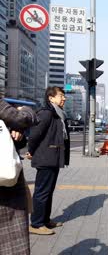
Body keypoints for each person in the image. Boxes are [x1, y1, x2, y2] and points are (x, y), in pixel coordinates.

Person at [27, 87, 70, 235]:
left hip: (54, 158)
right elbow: (34, 135)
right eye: (60, 96)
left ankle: (45, 220)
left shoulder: (58, 114)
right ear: (51, 98)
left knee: (48, 191)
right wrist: (30, 151)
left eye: (64, 96)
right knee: (42, 192)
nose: (64, 99)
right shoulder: (46, 113)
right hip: (46, 158)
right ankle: (36, 224)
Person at [0, 98, 37, 255]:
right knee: (11, 243)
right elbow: (24, 118)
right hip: (5, 192)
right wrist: (24, 109)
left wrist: (15, 131)